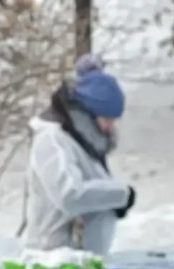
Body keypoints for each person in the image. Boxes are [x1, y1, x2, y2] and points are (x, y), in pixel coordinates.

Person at [22, 55, 135, 257]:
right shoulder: (52, 140)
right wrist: (121, 195)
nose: (110, 126)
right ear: (85, 113)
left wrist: (112, 203)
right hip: (51, 258)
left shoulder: (83, 143)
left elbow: (95, 189)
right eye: (106, 118)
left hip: (80, 260)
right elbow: (70, 195)